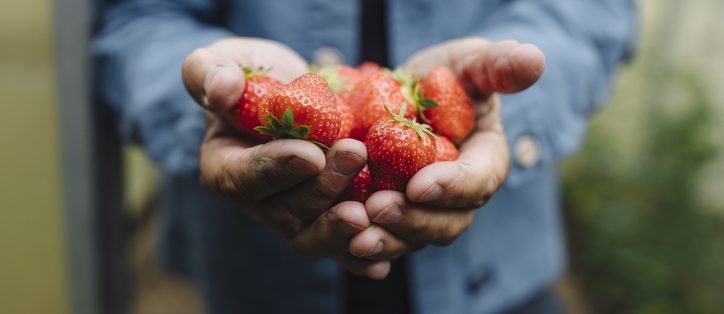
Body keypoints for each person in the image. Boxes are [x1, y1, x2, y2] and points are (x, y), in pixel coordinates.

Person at [92, 0, 636, 313]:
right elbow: (137, 18)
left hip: (502, 281)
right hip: (257, 281)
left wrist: (501, 99)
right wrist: (216, 106)